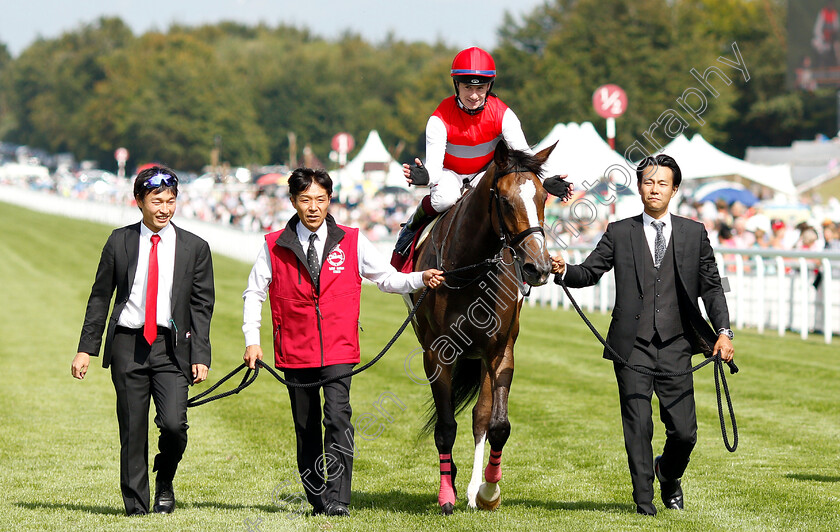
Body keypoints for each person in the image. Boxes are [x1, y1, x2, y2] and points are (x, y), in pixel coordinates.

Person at [242, 167, 444, 517]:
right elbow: (254, 292)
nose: (313, 207)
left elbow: (385, 278)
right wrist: (252, 340)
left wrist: (419, 279)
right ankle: (316, 498)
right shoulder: (272, 245)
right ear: (293, 201)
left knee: (338, 417)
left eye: (320, 199)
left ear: (329, 200)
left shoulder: (352, 239)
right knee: (305, 428)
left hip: (338, 347)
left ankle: (337, 499)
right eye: (305, 200)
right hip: (293, 348)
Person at [550, 154, 734, 516]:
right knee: (638, 425)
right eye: (648, 182)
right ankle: (644, 502)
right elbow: (589, 273)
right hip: (630, 346)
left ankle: (668, 473)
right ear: (638, 187)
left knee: (684, 433)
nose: (654, 188)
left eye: (662, 183)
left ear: (675, 189)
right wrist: (563, 270)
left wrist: (723, 332)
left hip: (678, 344)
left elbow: (712, 288)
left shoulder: (694, 233)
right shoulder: (619, 232)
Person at [72, 166, 215, 516]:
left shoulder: (195, 247)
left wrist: (201, 353)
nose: (164, 208)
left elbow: (202, 305)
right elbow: (100, 296)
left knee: (173, 424)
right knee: (133, 428)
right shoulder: (118, 241)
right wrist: (86, 348)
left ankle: (164, 480)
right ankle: (136, 508)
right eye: (156, 201)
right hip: (127, 345)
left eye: (170, 201)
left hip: (172, 349)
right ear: (139, 201)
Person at [394, 46, 571, 256]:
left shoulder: (504, 114)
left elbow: (524, 158)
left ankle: (521, 264)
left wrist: (544, 182)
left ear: (489, 86)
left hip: (483, 175)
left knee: (503, 202)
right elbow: (434, 167)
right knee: (444, 200)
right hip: (449, 174)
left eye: (481, 88)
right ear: (456, 85)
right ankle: (414, 224)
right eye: (468, 87)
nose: (474, 95)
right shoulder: (438, 118)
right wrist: (425, 176)